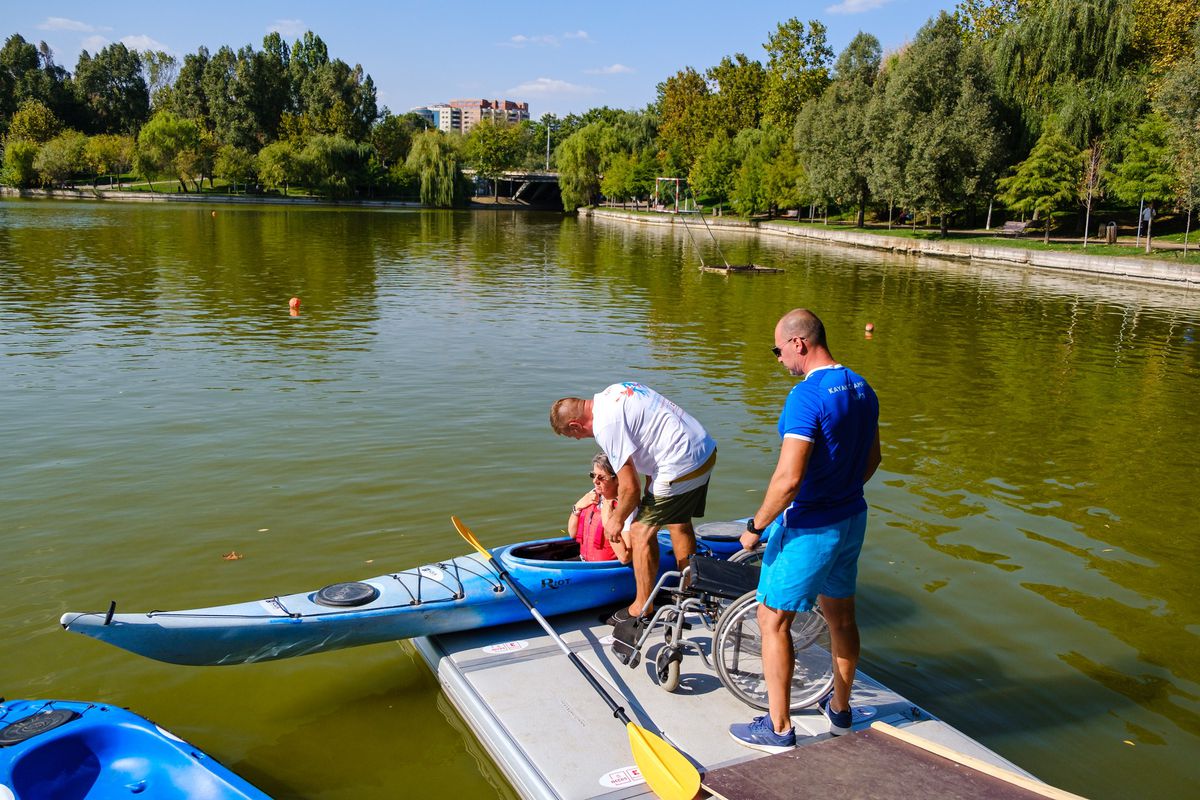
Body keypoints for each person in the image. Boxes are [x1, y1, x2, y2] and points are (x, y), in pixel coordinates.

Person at [729, 308, 881, 754]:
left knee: (772, 619)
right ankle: (840, 711)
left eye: (778, 350)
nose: (778, 359)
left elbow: (787, 479)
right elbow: (873, 459)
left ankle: (778, 729)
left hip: (811, 525)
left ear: (799, 342)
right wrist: (841, 492)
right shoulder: (862, 387)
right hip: (852, 518)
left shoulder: (806, 396)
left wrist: (755, 526)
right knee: (843, 619)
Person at [550, 382, 717, 623]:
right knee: (677, 520)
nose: (577, 439)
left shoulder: (606, 427)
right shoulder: (613, 391)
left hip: (679, 463)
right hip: (701, 448)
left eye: (572, 435)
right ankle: (688, 589)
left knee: (639, 532)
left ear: (575, 425)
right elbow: (652, 432)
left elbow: (629, 487)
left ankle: (642, 608)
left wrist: (615, 521)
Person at [568, 453, 632, 563]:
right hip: (584, 562)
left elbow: (625, 557)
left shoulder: (626, 509)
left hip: (605, 571)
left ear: (617, 478)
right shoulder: (593, 495)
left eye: (601, 477)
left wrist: (607, 520)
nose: (595, 481)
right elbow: (572, 533)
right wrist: (577, 507)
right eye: (593, 475)